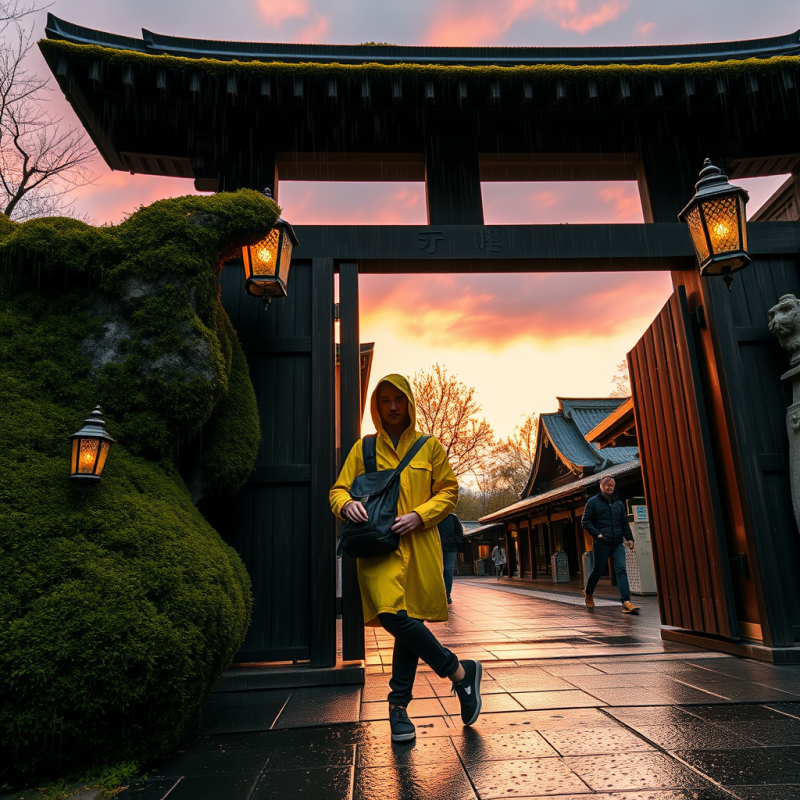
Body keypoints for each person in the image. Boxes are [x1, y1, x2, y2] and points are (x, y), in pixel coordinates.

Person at [330, 375, 482, 743]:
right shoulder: (363, 449)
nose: (393, 406)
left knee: (407, 625)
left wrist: (421, 515)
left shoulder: (430, 447)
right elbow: (338, 489)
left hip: (419, 549)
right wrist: (346, 504)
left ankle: (398, 709)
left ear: (410, 403)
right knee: (392, 616)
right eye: (385, 400)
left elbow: (448, 491)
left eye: (399, 399)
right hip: (377, 550)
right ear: (376, 406)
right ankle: (460, 672)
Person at [581, 475, 640, 613]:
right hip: (602, 542)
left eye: (612, 485)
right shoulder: (593, 502)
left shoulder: (618, 504)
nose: (610, 487)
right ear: (601, 485)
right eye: (607, 484)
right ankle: (589, 593)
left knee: (621, 570)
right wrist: (597, 534)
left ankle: (626, 602)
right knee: (598, 570)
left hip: (617, 543)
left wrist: (630, 539)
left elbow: (624, 523)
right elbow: (586, 521)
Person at [437, 513, 464, 604]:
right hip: (437, 548)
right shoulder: (435, 516)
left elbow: (460, 532)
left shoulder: (453, 517)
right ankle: (438, 594)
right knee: (437, 570)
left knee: (448, 569)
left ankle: (447, 593)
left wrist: (454, 540)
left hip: (451, 548)